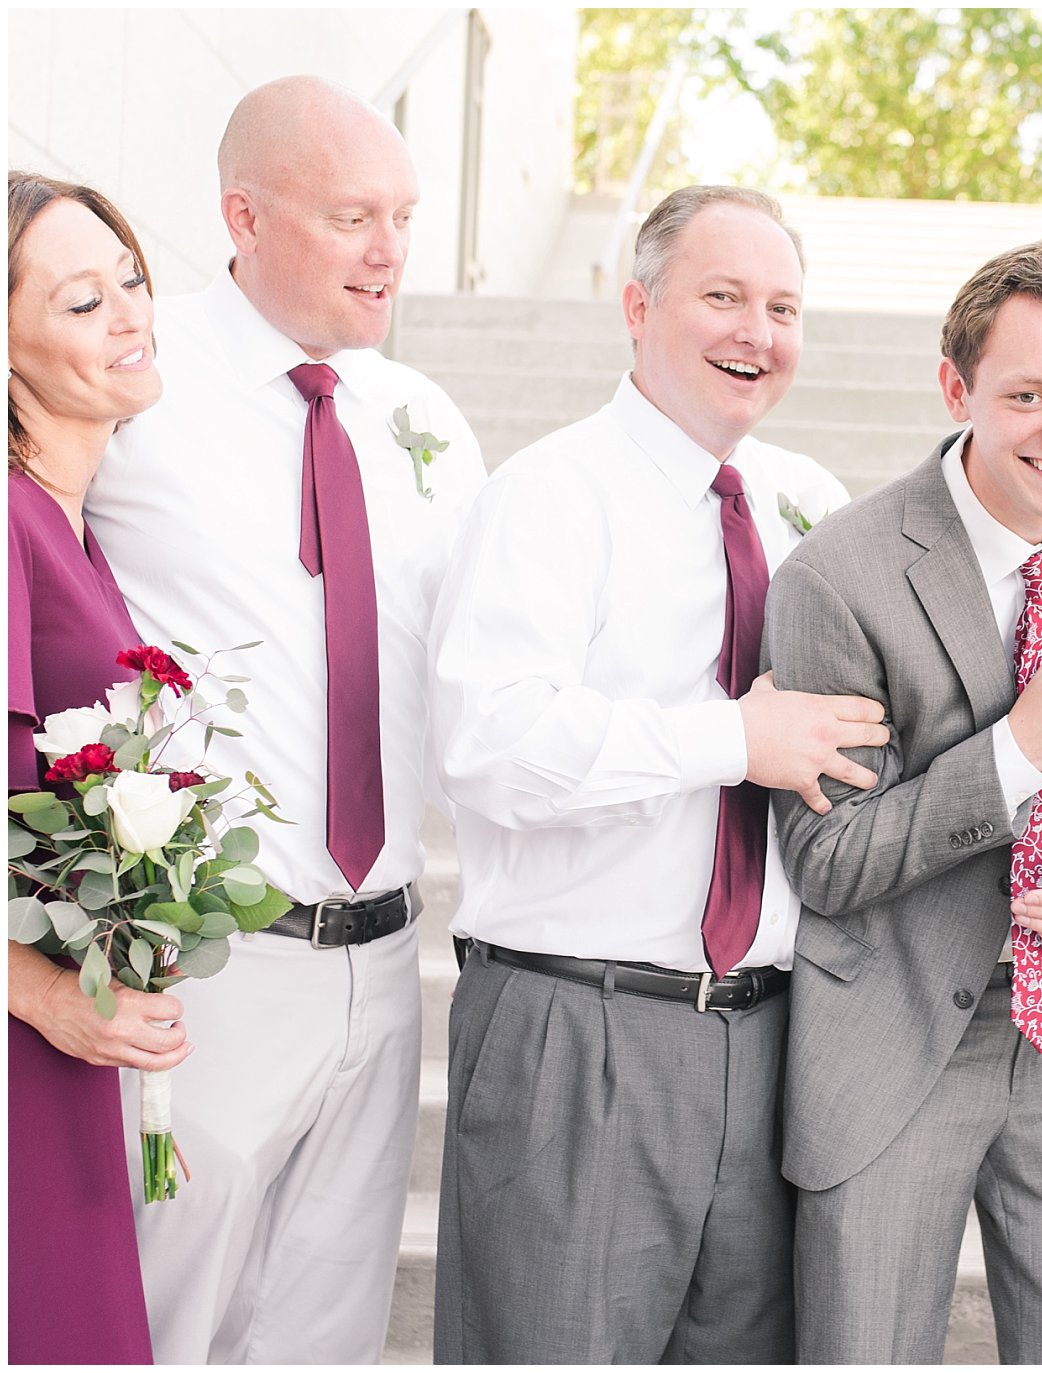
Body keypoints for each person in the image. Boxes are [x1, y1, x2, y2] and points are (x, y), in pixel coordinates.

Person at [426, 184, 884, 1363]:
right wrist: (728, 739)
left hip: (770, 1039)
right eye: (722, 296)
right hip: (580, 1031)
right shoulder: (548, 495)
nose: (757, 332)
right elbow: (491, 740)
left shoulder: (806, 503)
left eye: (782, 306)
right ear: (635, 306)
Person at [85, 77, 486, 1363]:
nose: (390, 250)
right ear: (242, 216)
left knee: (323, 1332)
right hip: (213, 963)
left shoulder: (424, 419)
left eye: (406, 216)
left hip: (383, 957)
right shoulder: (135, 385)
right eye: (353, 215)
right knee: (162, 1316)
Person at [764, 237, 1042, 1364]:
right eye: (1028, 395)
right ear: (957, 389)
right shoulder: (838, 577)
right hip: (895, 1028)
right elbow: (827, 860)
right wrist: (1012, 752)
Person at [6, 171, 179, 1367]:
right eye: (82, 300)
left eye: (129, 280)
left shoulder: (78, 526)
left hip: (60, 1045)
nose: (129, 316)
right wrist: (43, 990)